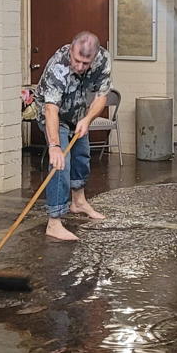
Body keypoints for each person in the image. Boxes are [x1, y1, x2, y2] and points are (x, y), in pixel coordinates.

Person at [34, 31, 110, 241]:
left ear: (94, 57)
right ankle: (54, 221)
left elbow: (102, 96)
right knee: (61, 162)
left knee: (81, 155)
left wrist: (88, 119)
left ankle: (78, 202)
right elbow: (50, 109)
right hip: (53, 115)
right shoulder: (58, 66)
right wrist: (54, 146)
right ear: (71, 50)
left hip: (78, 114)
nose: (80, 67)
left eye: (86, 63)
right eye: (77, 60)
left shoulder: (103, 60)